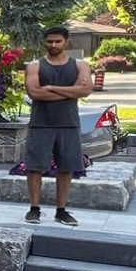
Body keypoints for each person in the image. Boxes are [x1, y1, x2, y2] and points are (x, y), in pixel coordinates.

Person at [22, 26, 94, 225]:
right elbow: (35, 93)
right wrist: (71, 91)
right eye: (50, 41)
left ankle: (61, 211)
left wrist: (52, 88)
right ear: (45, 42)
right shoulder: (35, 66)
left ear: (66, 42)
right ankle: (34, 209)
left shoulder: (80, 65)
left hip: (68, 124)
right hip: (40, 124)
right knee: (35, 168)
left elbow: (85, 90)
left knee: (66, 168)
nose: (53, 45)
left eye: (58, 41)